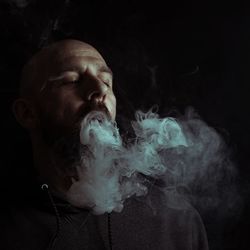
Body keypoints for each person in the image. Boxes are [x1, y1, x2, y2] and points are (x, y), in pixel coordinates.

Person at [0, 39, 209, 250]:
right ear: (27, 114)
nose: (100, 90)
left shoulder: (176, 222)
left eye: (106, 81)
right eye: (71, 81)